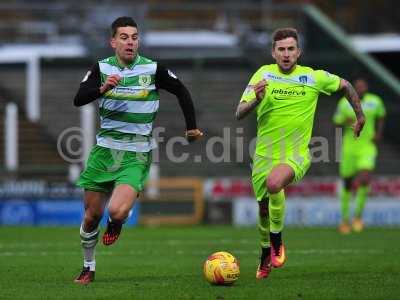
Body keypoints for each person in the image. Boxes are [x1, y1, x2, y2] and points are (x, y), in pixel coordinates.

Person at [72, 16, 203, 285]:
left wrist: (191, 127)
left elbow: (181, 91)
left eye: (134, 37)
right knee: (91, 216)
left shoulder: (153, 69)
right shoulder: (101, 68)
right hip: (104, 152)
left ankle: (119, 220)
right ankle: (88, 266)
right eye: (124, 37)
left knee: (117, 212)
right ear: (113, 42)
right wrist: (102, 88)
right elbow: (79, 99)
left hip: (136, 153)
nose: (130, 42)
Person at [235, 28, 365, 280]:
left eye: (290, 49)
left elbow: (346, 85)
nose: (286, 54)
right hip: (263, 155)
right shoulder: (263, 74)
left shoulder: (313, 77)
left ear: (299, 52)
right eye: (281, 49)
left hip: (297, 154)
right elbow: (239, 112)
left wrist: (360, 116)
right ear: (273, 52)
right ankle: (264, 254)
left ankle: (277, 241)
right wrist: (256, 99)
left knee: (275, 183)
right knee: (263, 209)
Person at [333, 78, 385, 234]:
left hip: (367, 146)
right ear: (353, 89)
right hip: (349, 148)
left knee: (365, 177)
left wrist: (378, 133)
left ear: (366, 87)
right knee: (347, 184)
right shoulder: (343, 103)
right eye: (358, 86)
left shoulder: (375, 101)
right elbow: (336, 121)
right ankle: (345, 220)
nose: (360, 88)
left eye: (363, 85)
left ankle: (357, 217)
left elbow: (381, 116)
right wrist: (344, 120)